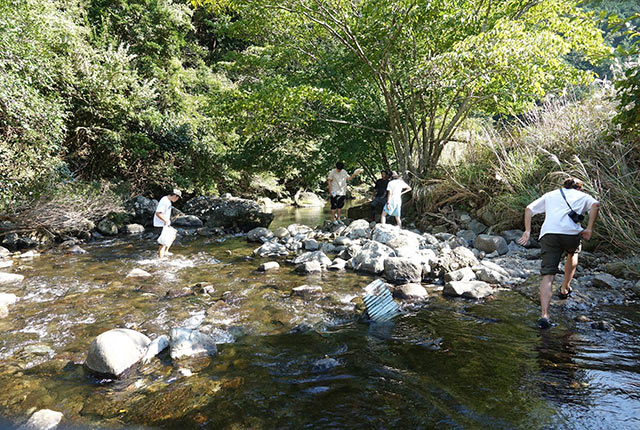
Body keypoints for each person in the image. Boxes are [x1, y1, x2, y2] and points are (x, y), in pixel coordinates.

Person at [518, 177, 600, 330]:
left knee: (548, 275)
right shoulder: (583, 196)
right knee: (573, 253)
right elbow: (596, 205)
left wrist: (527, 231)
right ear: (580, 188)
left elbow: (529, 209)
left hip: (549, 234)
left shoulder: (551, 194)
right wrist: (589, 229)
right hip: (571, 234)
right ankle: (565, 288)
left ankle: (544, 315)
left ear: (564, 186)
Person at [153, 188, 182, 258]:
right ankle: (160, 259)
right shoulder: (165, 201)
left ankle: (165, 252)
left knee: (173, 235)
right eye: (178, 198)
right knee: (162, 243)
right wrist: (166, 221)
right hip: (160, 225)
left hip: (164, 224)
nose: (177, 200)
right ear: (175, 196)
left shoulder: (168, 201)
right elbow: (158, 213)